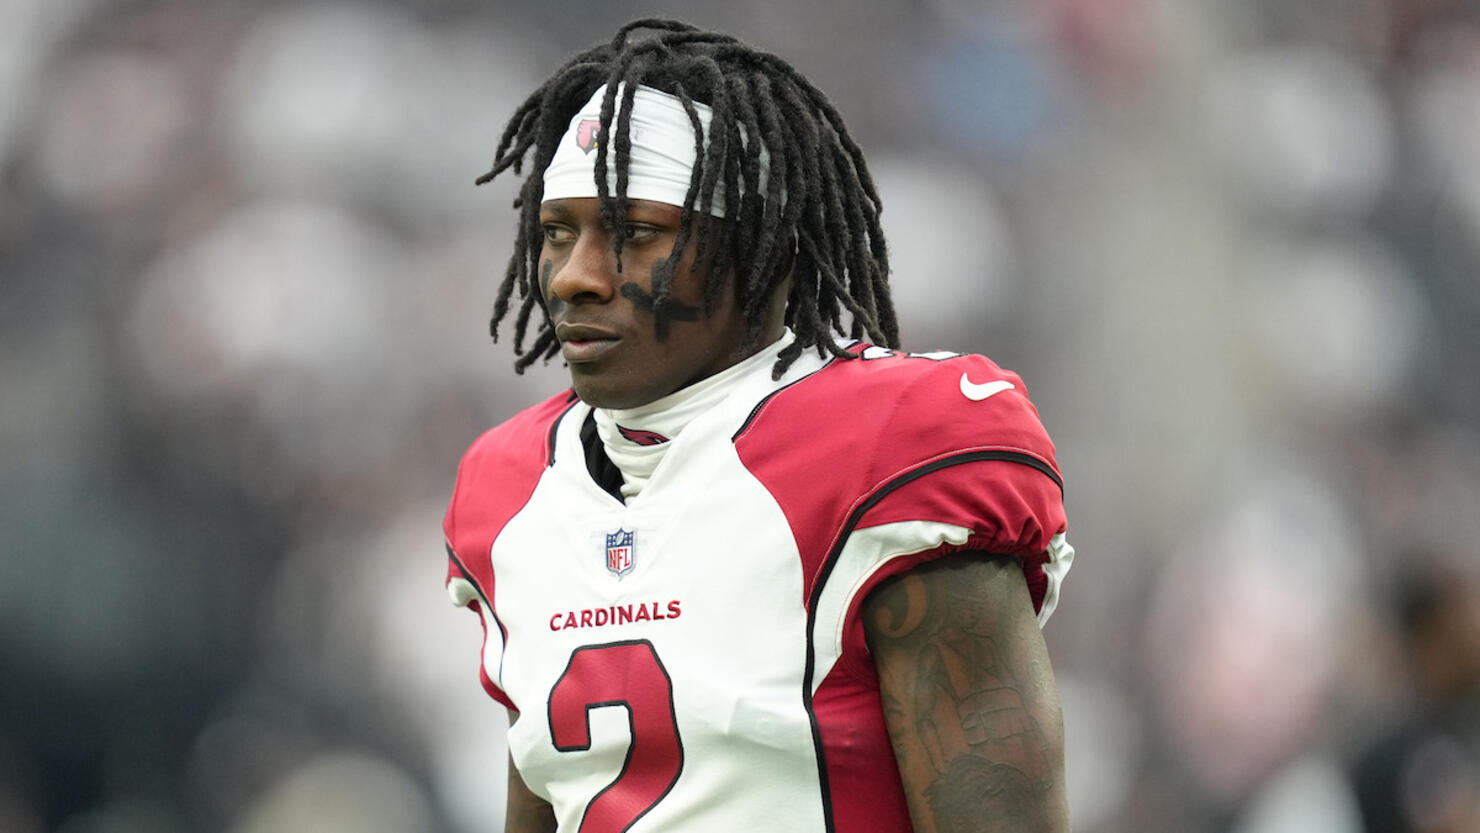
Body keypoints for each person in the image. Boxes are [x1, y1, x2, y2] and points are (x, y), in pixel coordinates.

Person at [441, 19, 1076, 833]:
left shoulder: (895, 443)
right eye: (557, 233)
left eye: (634, 233)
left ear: (761, 248)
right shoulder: (509, 486)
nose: (574, 278)